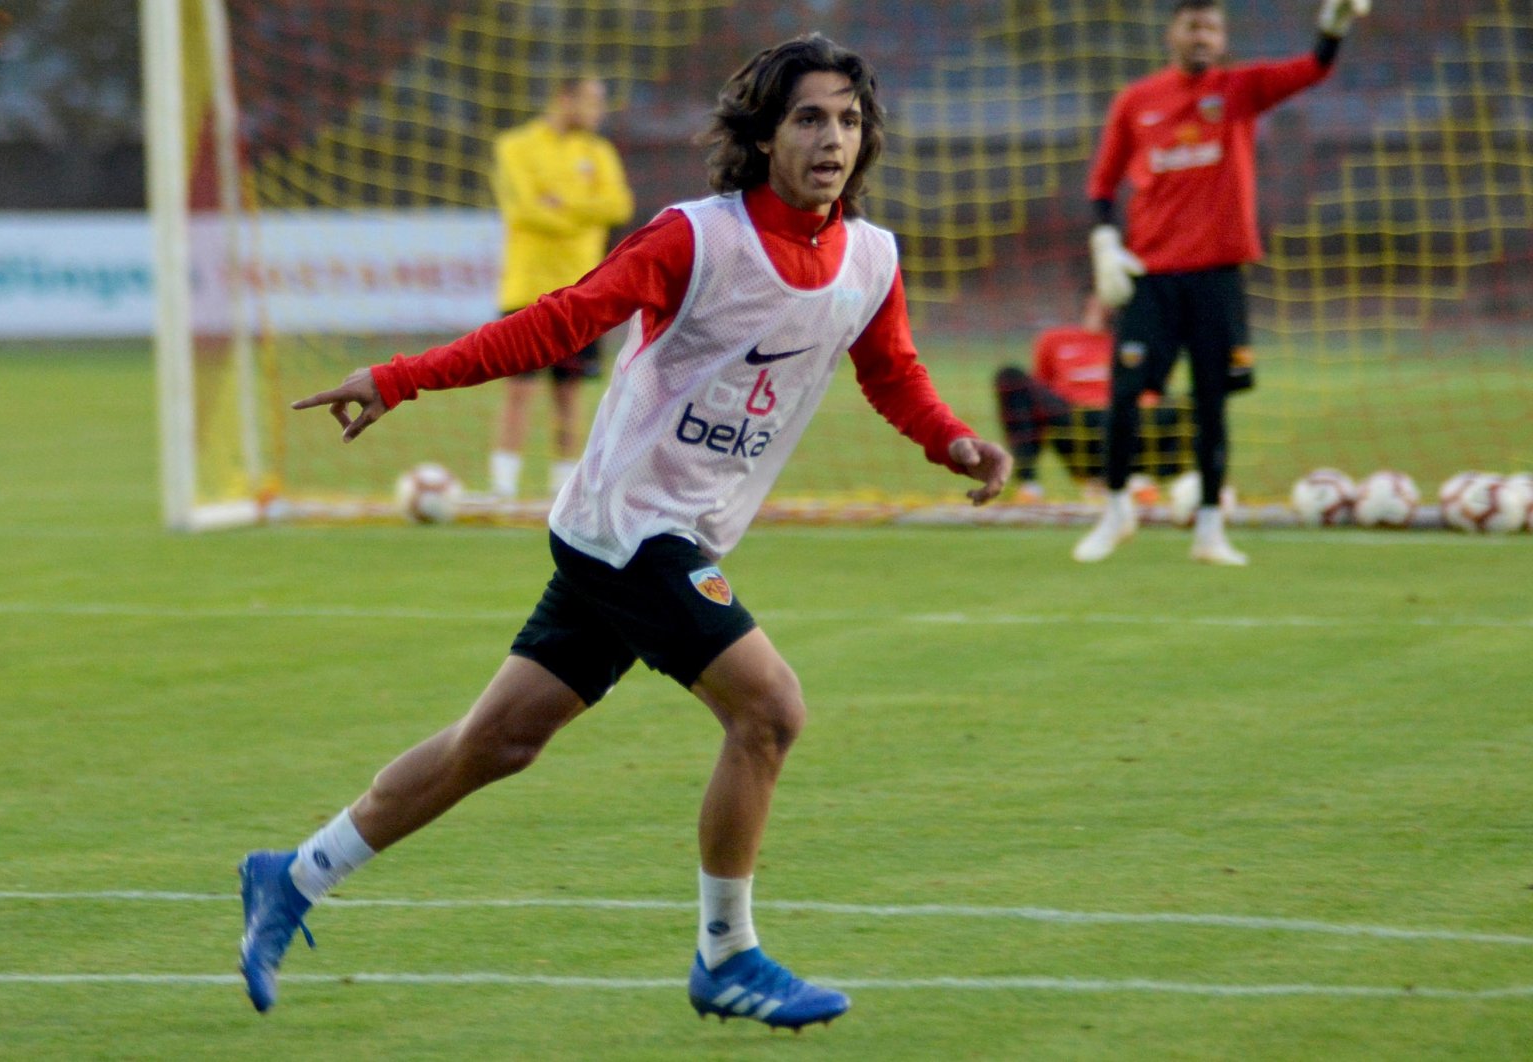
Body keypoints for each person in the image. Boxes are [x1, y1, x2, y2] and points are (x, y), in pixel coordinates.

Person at [238, 33, 1013, 1031]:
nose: (833, 138)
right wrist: (398, 377)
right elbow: (557, 321)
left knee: (498, 742)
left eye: (850, 120)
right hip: (629, 525)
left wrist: (951, 443)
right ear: (764, 134)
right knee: (769, 710)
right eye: (809, 118)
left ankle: (292, 875)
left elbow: (890, 371)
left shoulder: (871, 257)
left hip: (676, 529)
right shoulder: (696, 237)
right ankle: (726, 954)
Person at [1073, 0, 1370, 565]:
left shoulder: (1241, 89)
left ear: (1222, 36)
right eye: (1192, 25)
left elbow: (1313, 68)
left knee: (1212, 405)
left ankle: (1209, 531)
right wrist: (1106, 245)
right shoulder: (1136, 101)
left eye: (1211, 26)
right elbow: (1102, 185)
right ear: (1173, 33)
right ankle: (1115, 512)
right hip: (1152, 280)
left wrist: (1335, 25)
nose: (1202, 35)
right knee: (1125, 397)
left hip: (1217, 280)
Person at [489, 76, 634, 499]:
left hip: (582, 292)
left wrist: (560, 203)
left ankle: (563, 491)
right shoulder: (515, 146)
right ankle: (503, 488)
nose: (598, 111)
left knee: (569, 396)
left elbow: (618, 206)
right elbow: (524, 211)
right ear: (564, 99)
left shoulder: (598, 151)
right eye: (592, 101)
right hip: (526, 289)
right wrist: (582, 211)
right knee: (518, 390)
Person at [995, 291, 1188, 502]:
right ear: (1091, 298)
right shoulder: (1054, 339)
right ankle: (1029, 486)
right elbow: (1041, 390)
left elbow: (1157, 390)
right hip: (1075, 423)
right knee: (1010, 377)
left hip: (1131, 424)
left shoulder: (1138, 341)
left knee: (1200, 401)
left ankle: (1142, 479)